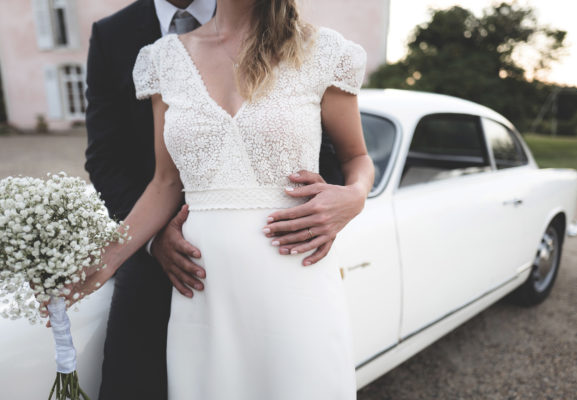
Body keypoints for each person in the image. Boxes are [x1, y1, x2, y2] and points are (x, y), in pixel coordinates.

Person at [78, 0, 374, 398]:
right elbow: (164, 185)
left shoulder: (322, 51)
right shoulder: (164, 59)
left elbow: (357, 157)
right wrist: (102, 261)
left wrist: (353, 197)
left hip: (295, 280)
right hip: (202, 291)